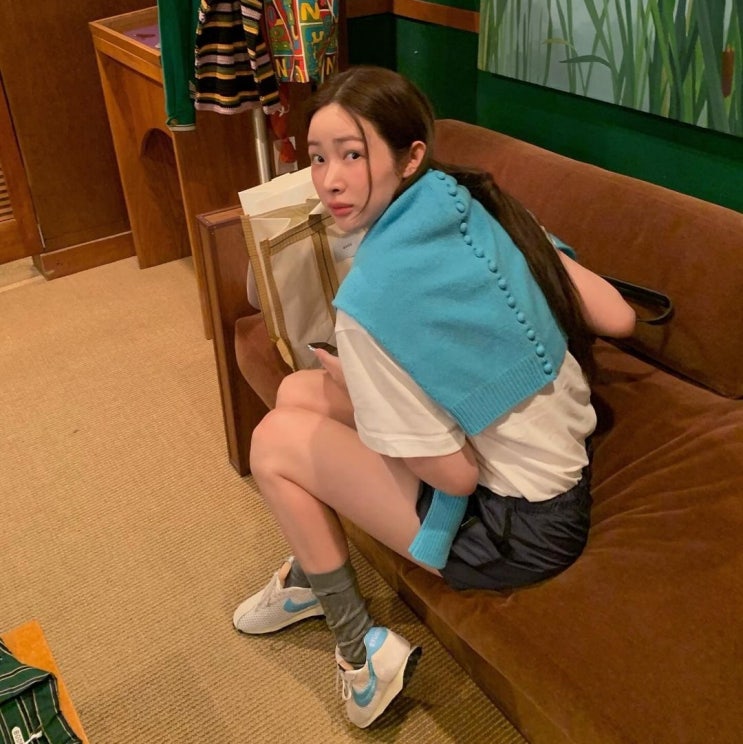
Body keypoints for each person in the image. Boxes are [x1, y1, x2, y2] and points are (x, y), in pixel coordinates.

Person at [232, 66, 636, 728]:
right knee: (299, 390)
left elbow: (457, 475)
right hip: (549, 462)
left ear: (410, 156)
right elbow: (618, 316)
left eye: (352, 155)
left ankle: (360, 656)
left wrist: (368, 390)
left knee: (274, 444)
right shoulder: (475, 201)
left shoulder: (369, 301)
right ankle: (310, 572)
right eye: (317, 158)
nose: (329, 181)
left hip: (521, 529)